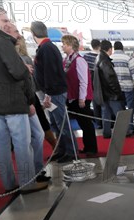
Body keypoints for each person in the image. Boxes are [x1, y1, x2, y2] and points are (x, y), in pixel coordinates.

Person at [0, 6, 47, 194]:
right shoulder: (2, 41)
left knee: (1, 144)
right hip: (12, 101)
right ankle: (27, 183)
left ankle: (9, 184)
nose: (7, 24)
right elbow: (17, 72)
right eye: (4, 20)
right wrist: (24, 69)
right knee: (22, 143)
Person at [5, 23, 50, 183]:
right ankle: (29, 178)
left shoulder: (14, 52)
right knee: (24, 141)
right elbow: (17, 79)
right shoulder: (7, 51)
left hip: (27, 100)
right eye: (16, 31)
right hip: (19, 103)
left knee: (37, 135)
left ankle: (36, 171)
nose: (19, 34)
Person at [31, 20, 76, 163]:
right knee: (56, 124)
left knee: (62, 124)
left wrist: (48, 94)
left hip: (54, 92)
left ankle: (71, 151)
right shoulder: (46, 47)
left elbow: (50, 73)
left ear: (33, 34)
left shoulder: (47, 48)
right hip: (52, 92)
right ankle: (62, 149)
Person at [61, 34, 97, 155]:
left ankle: (92, 148)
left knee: (86, 123)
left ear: (71, 45)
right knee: (82, 123)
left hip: (81, 97)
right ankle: (88, 146)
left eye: (65, 44)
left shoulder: (79, 60)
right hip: (72, 96)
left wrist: (82, 98)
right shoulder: (67, 60)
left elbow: (84, 81)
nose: (63, 46)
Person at [94, 40, 125, 139]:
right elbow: (110, 78)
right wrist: (117, 91)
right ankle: (126, 131)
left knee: (106, 113)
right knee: (119, 113)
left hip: (103, 93)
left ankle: (106, 132)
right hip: (111, 93)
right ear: (110, 49)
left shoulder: (99, 58)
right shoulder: (105, 60)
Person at [112, 41, 134, 135]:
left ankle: (123, 129)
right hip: (128, 87)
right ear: (122, 48)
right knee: (130, 108)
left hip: (116, 89)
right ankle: (131, 128)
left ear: (114, 48)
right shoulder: (128, 58)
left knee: (120, 109)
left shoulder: (110, 58)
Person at [84, 39, 102, 129]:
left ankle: (98, 123)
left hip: (91, 83)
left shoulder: (86, 56)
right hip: (101, 83)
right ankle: (106, 121)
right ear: (100, 46)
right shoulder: (101, 56)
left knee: (95, 103)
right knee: (103, 103)